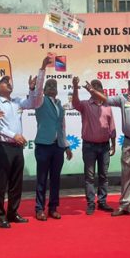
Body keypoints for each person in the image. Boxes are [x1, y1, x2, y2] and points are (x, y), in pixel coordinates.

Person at [0, 57, 47, 228]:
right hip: (3, 146)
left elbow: (35, 102)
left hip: (16, 147)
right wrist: (13, 135)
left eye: (8, 80)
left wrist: (41, 70)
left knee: (16, 182)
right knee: (1, 182)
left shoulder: (17, 102)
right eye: (4, 81)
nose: (8, 82)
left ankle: (13, 212)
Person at [88, 73, 130, 217]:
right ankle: (125, 206)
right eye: (129, 83)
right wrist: (93, 91)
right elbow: (106, 99)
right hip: (128, 142)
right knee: (126, 175)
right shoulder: (123, 98)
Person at [72, 77, 116, 214]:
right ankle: (91, 203)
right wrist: (75, 87)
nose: (96, 89)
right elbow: (74, 103)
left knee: (104, 176)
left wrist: (113, 144)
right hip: (89, 146)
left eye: (99, 87)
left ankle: (102, 202)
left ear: (102, 90)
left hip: (104, 146)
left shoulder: (107, 106)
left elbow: (112, 127)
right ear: (90, 91)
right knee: (90, 176)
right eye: (94, 87)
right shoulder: (85, 105)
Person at [34, 77, 73, 220]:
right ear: (43, 90)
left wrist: (67, 146)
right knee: (42, 179)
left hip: (58, 147)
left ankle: (53, 207)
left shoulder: (60, 106)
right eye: (48, 85)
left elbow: (62, 128)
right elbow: (37, 92)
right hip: (44, 146)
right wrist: (43, 68)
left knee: (55, 179)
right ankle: (39, 209)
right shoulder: (40, 101)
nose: (51, 87)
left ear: (57, 90)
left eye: (54, 86)